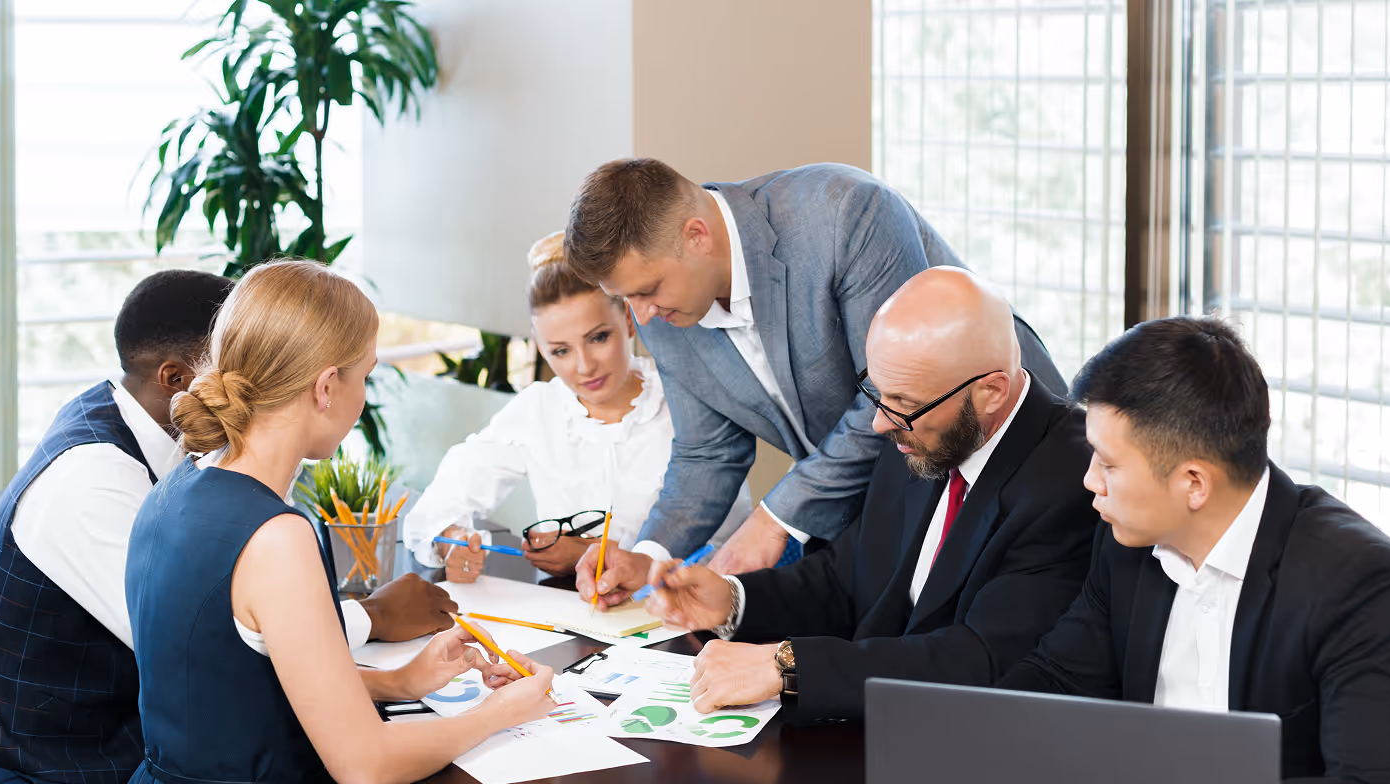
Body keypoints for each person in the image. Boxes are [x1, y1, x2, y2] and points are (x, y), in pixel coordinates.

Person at [0, 270, 453, 784]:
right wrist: (372, 618)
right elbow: (209, 647)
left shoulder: (190, 474)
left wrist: (394, 681)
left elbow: (236, 659)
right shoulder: (93, 478)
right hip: (64, 763)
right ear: (177, 377)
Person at [125, 261, 555, 783]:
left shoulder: (171, 488)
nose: (365, 395)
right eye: (366, 375)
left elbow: (232, 680)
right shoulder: (275, 537)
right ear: (326, 387)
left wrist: (398, 681)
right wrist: (501, 712)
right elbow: (367, 765)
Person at [563, 158, 1069, 601]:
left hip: (1005, 467)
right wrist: (649, 555)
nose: (642, 317)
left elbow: (885, 404)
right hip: (885, 503)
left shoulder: (846, 212)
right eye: (626, 298)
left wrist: (774, 518)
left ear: (697, 236)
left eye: (647, 291)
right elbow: (707, 452)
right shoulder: (667, 313)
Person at [632, 268, 1098, 722]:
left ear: (990, 392)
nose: (879, 423)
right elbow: (847, 577)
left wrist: (788, 665)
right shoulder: (921, 427)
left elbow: (979, 660)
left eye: (905, 404)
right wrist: (733, 600)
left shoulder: (1070, 479)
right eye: (878, 393)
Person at [998, 317, 1390, 781]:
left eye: (1108, 464)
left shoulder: (1361, 585)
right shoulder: (1126, 544)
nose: (1090, 481)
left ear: (1194, 483)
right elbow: (1055, 679)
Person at [404, 232, 751, 581]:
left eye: (598, 337)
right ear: (540, 348)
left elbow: (727, 536)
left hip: (685, 616)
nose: (584, 366)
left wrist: (596, 553)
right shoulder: (538, 410)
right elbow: (446, 496)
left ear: (629, 321)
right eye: (561, 350)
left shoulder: (685, 401)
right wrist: (452, 540)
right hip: (571, 618)